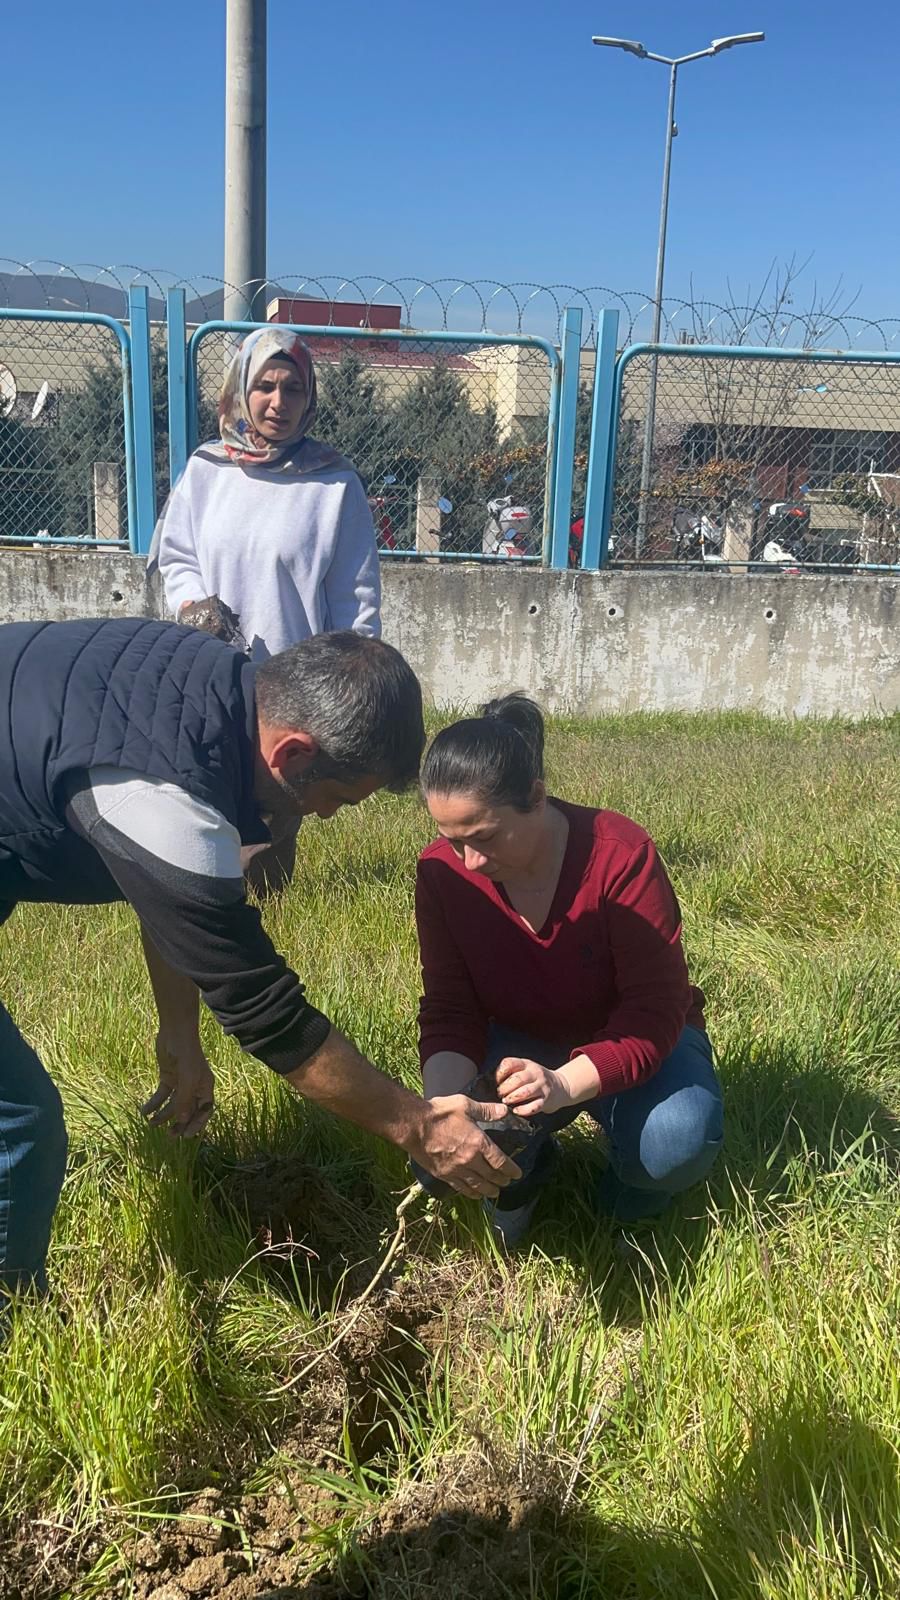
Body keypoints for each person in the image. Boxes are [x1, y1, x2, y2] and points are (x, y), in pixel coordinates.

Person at [0, 619, 518, 1304]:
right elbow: (268, 1015)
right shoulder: (164, 792)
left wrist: (179, 1035)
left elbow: (171, 892)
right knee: (20, 1123)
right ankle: (17, 1325)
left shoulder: (217, 685)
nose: (328, 817)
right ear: (294, 754)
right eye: (336, 798)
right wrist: (418, 1127)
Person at [414, 693, 723, 1245]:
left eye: (483, 837)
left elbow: (653, 1014)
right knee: (443, 1151)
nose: (470, 863)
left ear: (535, 796)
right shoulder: (442, 875)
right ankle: (525, 1182)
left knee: (674, 1141)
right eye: (451, 839)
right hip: (518, 1042)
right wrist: (444, 1106)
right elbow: (449, 1006)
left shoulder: (620, 856)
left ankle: (627, 1201)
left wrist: (561, 1083)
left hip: (634, 1038)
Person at [149, 327, 382, 893]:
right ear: (241, 390)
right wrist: (194, 607)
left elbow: (355, 595)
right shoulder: (209, 469)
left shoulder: (333, 483)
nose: (279, 403)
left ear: (311, 397)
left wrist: (355, 678)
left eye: (294, 388)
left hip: (292, 679)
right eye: (266, 386)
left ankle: (270, 914)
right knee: (205, 792)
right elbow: (176, 555)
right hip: (209, 666)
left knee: (277, 799)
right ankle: (206, 903)